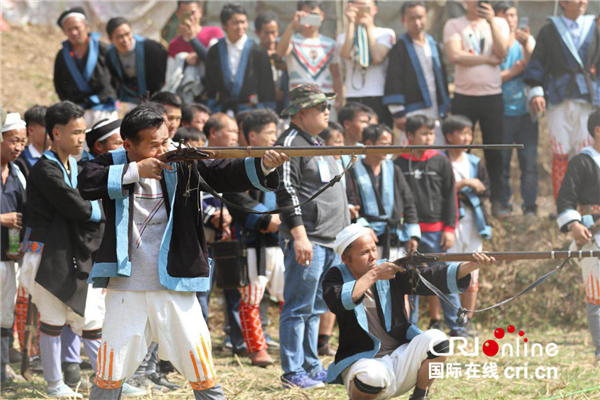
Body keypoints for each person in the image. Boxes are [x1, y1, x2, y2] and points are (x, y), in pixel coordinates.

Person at [79, 102, 287, 399]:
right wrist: (136, 170)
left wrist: (265, 164)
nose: (164, 147)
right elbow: (87, 182)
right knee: (110, 369)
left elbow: (223, 172)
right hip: (126, 283)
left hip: (173, 277)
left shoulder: (182, 160)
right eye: (154, 144)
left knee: (199, 363)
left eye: (165, 140)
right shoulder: (111, 162)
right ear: (128, 145)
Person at [322, 223, 495, 400]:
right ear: (345, 258)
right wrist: (374, 275)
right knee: (371, 377)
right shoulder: (335, 277)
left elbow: (428, 276)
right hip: (363, 362)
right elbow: (338, 303)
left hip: (399, 357)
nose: (373, 257)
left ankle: (420, 396)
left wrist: (470, 266)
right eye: (364, 253)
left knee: (438, 341)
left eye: (374, 249)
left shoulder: (389, 270)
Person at [19, 101, 105, 399]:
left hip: (67, 252)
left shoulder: (72, 165)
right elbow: (79, 208)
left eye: (83, 132)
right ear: (56, 133)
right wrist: (97, 207)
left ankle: (107, 381)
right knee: (52, 319)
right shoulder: (45, 169)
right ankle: (55, 384)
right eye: (75, 132)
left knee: (91, 319)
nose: (81, 139)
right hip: (46, 254)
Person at [276, 83, 351, 389]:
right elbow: (286, 190)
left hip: (329, 240)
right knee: (298, 307)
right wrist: (299, 235)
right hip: (309, 239)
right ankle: (293, 371)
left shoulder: (315, 141)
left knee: (316, 307)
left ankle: (310, 365)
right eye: (321, 108)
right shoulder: (291, 142)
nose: (327, 112)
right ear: (302, 112)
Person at [223, 109, 285, 368]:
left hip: (279, 240)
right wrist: (265, 219)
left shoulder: (280, 159)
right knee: (250, 298)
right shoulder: (237, 161)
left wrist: (283, 219)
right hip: (251, 241)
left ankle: (288, 344)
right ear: (252, 135)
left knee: (286, 295)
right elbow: (234, 197)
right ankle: (257, 349)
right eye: (269, 132)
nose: (274, 137)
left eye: (274, 132)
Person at [394, 115, 465, 336]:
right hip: (408, 232)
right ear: (409, 135)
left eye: (431, 134)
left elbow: (450, 197)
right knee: (408, 281)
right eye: (424, 133)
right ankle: (410, 329)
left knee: (443, 279)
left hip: (436, 231)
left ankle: (457, 328)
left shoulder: (441, 161)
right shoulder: (398, 163)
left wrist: (449, 228)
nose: (428, 138)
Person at [523, 0, 600, 201]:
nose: (583, 2)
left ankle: (586, 203)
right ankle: (563, 205)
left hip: (587, 98)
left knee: (585, 150)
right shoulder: (549, 31)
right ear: (564, 2)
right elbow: (538, 62)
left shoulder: (594, 28)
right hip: (558, 97)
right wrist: (537, 91)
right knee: (560, 151)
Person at [443, 0, 510, 216]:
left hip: (492, 95)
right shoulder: (454, 24)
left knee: (496, 150)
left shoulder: (499, 22)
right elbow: (455, 55)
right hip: (464, 96)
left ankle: (497, 200)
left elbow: (503, 52)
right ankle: (461, 196)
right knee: (461, 149)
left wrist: (490, 21)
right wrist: (486, 59)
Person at [556, 108, 600, 364]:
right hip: (594, 237)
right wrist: (573, 225)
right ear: (597, 130)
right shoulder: (581, 162)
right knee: (597, 298)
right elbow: (565, 199)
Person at [442, 115, 491, 331]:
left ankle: (467, 321)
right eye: (462, 132)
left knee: (473, 270)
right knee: (451, 270)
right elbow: (438, 193)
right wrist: (463, 185)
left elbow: (485, 189)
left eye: (469, 133)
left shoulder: (474, 162)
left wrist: (470, 188)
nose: (467, 137)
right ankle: (453, 322)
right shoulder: (441, 160)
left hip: (473, 220)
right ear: (449, 136)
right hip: (450, 221)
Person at [346, 124, 420, 261]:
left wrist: (413, 234)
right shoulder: (352, 172)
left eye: (390, 144)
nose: (389, 147)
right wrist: (363, 227)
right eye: (384, 143)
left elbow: (408, 201)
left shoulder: (394, 169)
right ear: (369, 143)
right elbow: (351, 204)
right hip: (366, 238)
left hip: (394, 237)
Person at [384, 1, 451, 146]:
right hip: (412, 110)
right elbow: (394, 79)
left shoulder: (433, 45)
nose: (417, 22)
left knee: (436, 148)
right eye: (412, 18)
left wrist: (446, 106)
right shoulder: (400, 48)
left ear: (426, 17)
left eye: (420, 17)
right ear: (403, 20)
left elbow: (442, 76)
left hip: (435, 108)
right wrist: (398, 113)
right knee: (413, 149)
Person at [494, 1, 539, 217]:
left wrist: (528, 45)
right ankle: (503, 203)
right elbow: (490, 79)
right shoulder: (494, 44)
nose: (510, 20)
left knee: (529, 163)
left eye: (513, 15)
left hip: (525, 113)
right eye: (505, 16)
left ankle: (530, 206)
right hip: (501, 113)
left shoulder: (526, 42)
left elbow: (536, 70)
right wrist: (512, 72)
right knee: (502, 163)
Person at [205, 3, 276, 114]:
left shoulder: (258, 52)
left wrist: (266, 110)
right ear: (224, 25)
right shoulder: (214, 51)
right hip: (221, 111)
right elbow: (210, 84)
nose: (240, 27)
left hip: (251, 111)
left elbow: (267, 87)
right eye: (235, 23)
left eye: (243, 22)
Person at [53, 7, 117, 128]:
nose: (74, 33)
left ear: (86, 26)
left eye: (77, 28)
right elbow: (59, 84)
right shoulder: (62, 56)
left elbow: (117, 77)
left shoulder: (103, 49)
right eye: (69, 29)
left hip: (104, 110)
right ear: (64, 32)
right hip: (77, 113)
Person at [277, 1, 344, 111]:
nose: (310, 19)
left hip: (325, 101)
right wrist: (292, 26)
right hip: (299, 102)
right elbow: (280, 53)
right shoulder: (292, 40)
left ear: (322, 16)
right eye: (306, 15)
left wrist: (339, 99)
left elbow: (336, 74)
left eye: (314, 15)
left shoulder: (331, 44)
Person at [338, 0, 395, 127]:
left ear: (374, 9)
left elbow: (377, 57)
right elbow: (346, 54)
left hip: (377, 95)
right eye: (357, 5)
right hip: (353, 95)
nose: (361, 9)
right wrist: (351, 24)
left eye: (364, 6)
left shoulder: (385, 33)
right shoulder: (344, 36)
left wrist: (368, 26)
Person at [0, 113, 27, 384]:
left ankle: (2, 368)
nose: (18, 146)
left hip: (8, 257)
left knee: (5, 314)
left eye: (22, 141)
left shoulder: (18, 173)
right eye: (12, 140)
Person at [106, 17, 168, 104]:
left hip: (156, 99)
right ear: (110, 39)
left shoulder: (152, 48)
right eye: (120, 36)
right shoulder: (110, 55)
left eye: (128, 34)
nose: (125, 40)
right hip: (130, 100)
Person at [167, 0, 223, 69]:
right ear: (178, 14)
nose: (190, 17)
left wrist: (193, 39)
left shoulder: (214, 33)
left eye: (192, 13)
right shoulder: (174, 45)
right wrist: (185, 60)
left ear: (200, 12)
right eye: (185, 14)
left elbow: (216, 62)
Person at [255, 11, 289, 115]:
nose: (271, 37)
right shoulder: (254, 53)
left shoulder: (287, 52)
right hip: (263, 105)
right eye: (266, 33)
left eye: (273, 32)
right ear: (257, 33)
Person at [15, 105, 50, 178]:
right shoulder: (20, 160)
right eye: (48, 126)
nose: (52, 131)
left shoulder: (60, 158)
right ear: (31, 130)